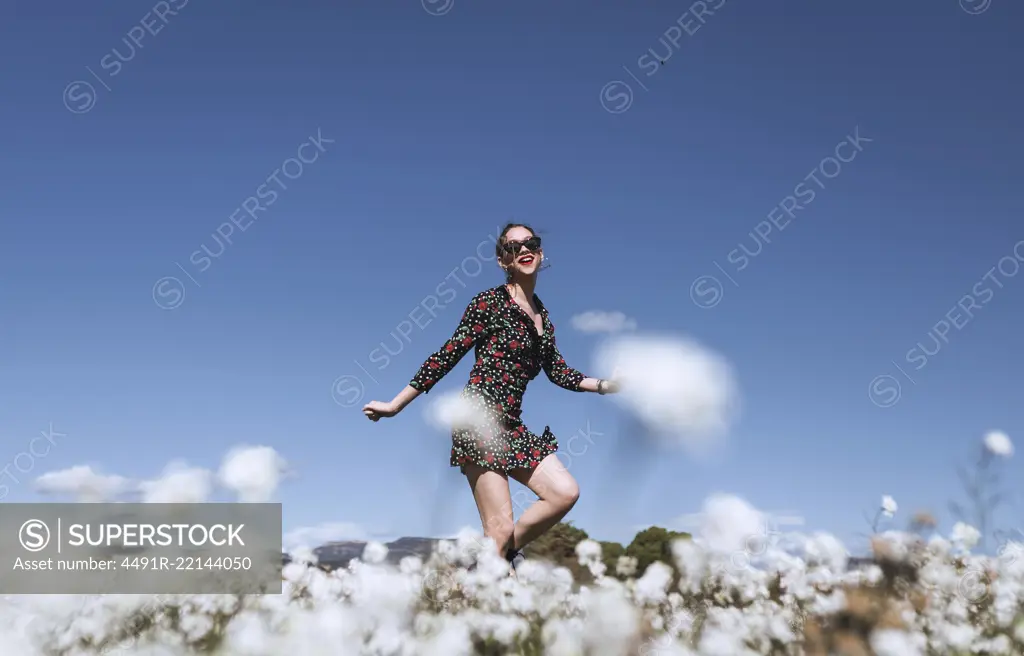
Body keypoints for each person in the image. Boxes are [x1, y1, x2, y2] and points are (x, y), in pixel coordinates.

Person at [362, 223, 620, 575]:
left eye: (531, 243)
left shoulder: (543, 317)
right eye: (513, 247)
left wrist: (605, 385)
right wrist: (395, 404)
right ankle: (485, 583)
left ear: (541, 253)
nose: (524, 250)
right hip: (478, 420)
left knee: (564, 492)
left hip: (512, 426)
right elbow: (447, 354)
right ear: (503, 260)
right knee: (497, 531)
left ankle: (493, 561)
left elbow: (558, 372)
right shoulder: (489, 302)